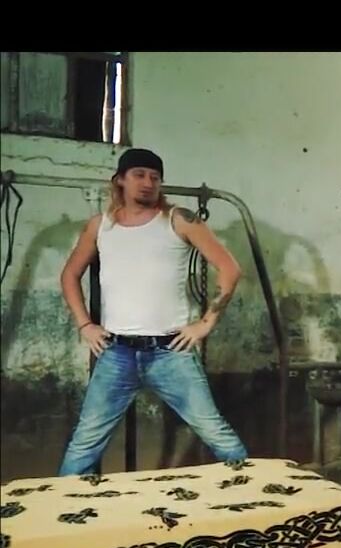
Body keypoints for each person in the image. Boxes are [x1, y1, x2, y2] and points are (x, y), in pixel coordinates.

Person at [58, 148, 249, 476]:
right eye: (139, 175)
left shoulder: (178, 220)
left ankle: (257, 496)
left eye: (155, 177)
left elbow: (229, 269)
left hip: (170, 351)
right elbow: (69, 275)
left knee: (214, 431)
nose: (148, 183)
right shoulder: (100, 226)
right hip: (116, 351)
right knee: (84, 444)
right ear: (120, 180)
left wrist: (205, 323)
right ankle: (63, 507)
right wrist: (84, 324)